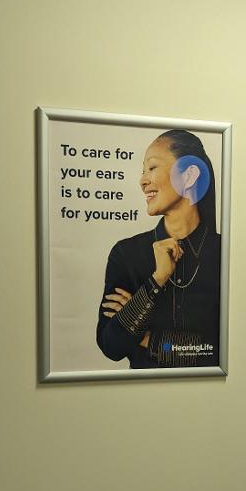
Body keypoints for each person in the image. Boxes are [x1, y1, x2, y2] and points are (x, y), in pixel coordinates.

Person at [96, 129, 221, 369]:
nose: (143, 181)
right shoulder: (126, 254)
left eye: (152, 168)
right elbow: (111, 346)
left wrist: (143, 336)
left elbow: (219, 352)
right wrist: (157, 279)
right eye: (142, 171)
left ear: (189, 175)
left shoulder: (224, 253)